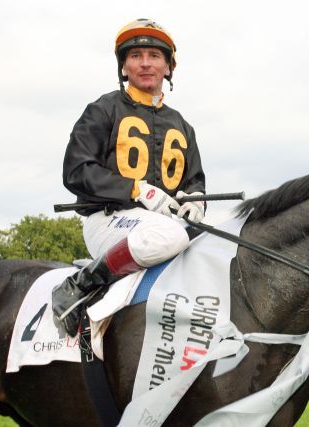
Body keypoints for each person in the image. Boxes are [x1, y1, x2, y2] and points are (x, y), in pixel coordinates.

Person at [52, 18, 206, 337]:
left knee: (215, 244)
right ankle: (78, 286)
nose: (145, 63)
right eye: (135, 56)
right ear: (124, 66)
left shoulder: (183, 126)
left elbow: (195, 180)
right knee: (172, 236)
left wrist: (196, 201)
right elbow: (76, 170)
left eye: (154, 55)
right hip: (110, 219)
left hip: (164, 225)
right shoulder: (102, 110)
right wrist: (136, 190)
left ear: (169, 66)